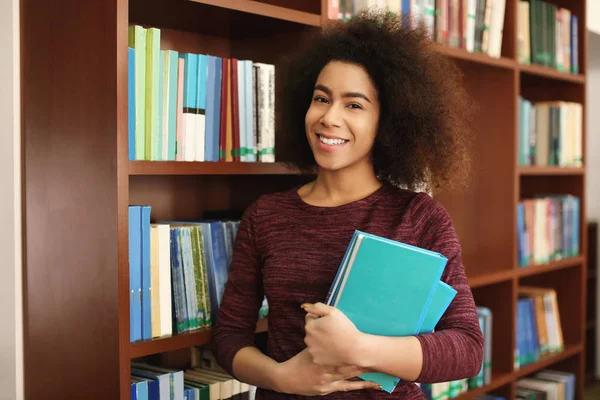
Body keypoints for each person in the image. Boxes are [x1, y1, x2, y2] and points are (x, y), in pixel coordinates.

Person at [212, 8, 484, 399]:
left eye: (354, 105)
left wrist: (359, 348)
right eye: (321, 98)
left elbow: (467, 349)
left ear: (387, 121)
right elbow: (229, 337)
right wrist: (283, 378)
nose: (329, 118)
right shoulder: (266, 216)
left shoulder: (420, 217)